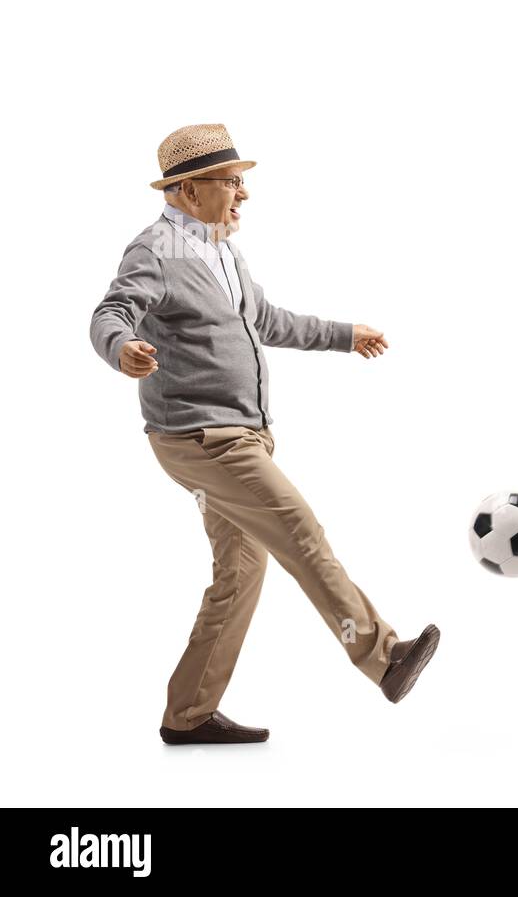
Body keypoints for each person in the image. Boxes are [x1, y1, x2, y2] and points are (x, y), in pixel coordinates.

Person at [90, 124, 440, 745]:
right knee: (300, 529)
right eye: (231, 182)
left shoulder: (224, 250)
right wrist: (123, 348)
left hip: (243, 434)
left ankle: (188, 715)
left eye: (242, 180)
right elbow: (111, 312)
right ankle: (383, 658)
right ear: (187, 190)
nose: (243, 193)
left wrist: (344, 334)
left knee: (240, 573)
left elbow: (266, 320)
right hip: (202, 438)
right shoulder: (155, 251)